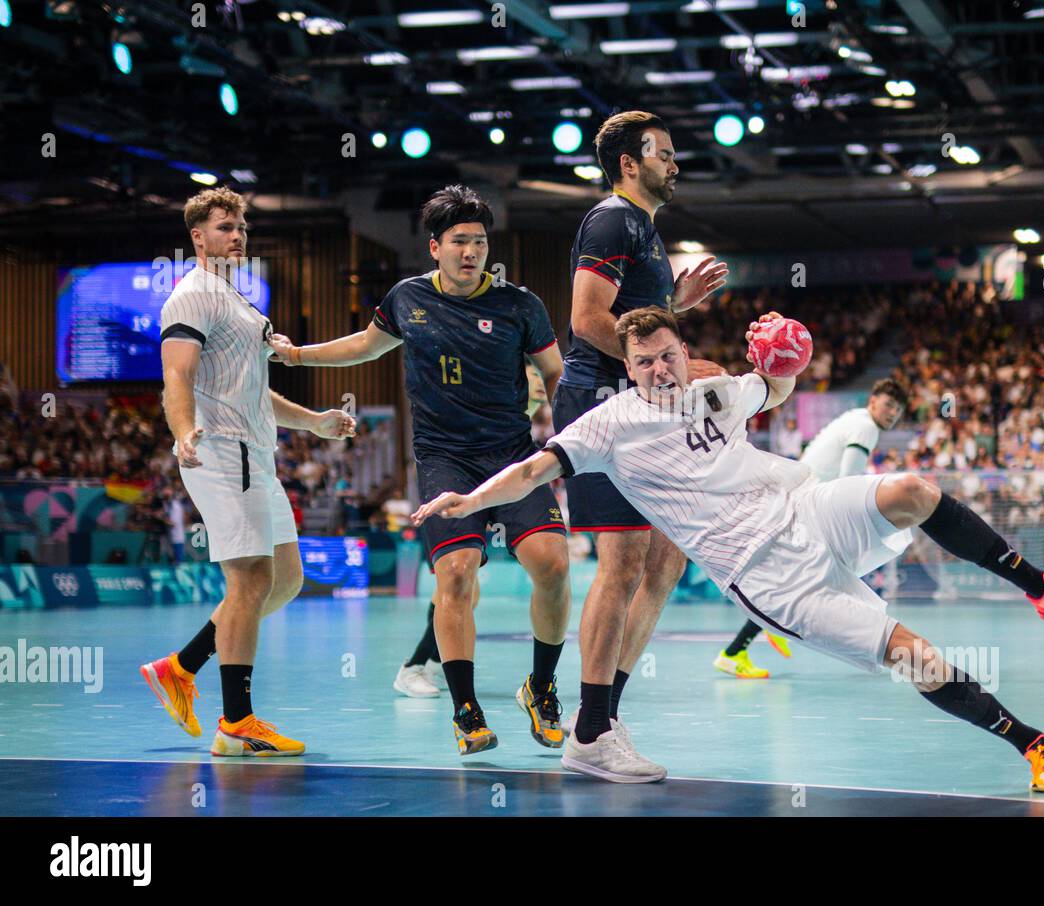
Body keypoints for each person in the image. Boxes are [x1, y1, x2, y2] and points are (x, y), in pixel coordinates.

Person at [412, 308, 1044, 789]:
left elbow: (776, 387)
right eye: (644, 362)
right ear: (627, 368)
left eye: (668, 356)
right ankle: (1032, 744)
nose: (660, 371)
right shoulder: (610, 427)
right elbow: (536, 469)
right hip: (769, 577)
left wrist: (784, 347)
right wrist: (472, 502)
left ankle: (1043, 587)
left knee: (910, 488)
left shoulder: (716, 389)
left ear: (683, 352)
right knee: (919, 657)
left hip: (806, 508)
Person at [267, 185, 570, 756]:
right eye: (459, 242)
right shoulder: (407, 299)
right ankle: (466, 708)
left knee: (552, 565)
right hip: (444, 459)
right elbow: (364, 345)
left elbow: (556, 375)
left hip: (512, 455)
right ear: (435, 247)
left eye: (479, 242)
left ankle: (543, 685)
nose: (470, 252)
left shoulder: (520, 305)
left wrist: (573, 442)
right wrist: (299, 356)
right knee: (455, 573)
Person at [140, 186, 356, 757]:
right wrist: (184, 431)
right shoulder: (191, 297)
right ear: (198, 237)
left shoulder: (238, 303)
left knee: (285, 579)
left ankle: (179, 668)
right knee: (250, 582)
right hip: (220, 451)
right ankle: (236, 722)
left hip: (256, 456)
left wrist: (315, 422)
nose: (236, 235)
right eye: (224, 227)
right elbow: (177, 377)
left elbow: (256, 393)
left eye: (240, 226)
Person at [551, 110, 729, 779]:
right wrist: (671, 364)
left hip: (641, 403)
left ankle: (602, 717)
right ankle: (591, 732)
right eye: (665, 154)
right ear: (631, 162)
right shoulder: (612, 220)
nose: (674, 163)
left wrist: (671, 305)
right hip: (603, 402)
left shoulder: (646, 231)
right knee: (623, 561)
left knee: (665, 562)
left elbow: (633, 322)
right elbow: (588, 319)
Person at [714, 378, 908, 679]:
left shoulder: (855, 419)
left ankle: (743, 645)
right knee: (812, 581)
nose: (892, 413)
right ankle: (743, 645)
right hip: (810, 506)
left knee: (797, 582)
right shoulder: (865, 426)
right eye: (888, 405)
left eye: (898, 409)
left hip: (801, 499)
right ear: (873, 402)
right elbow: (850, 479)